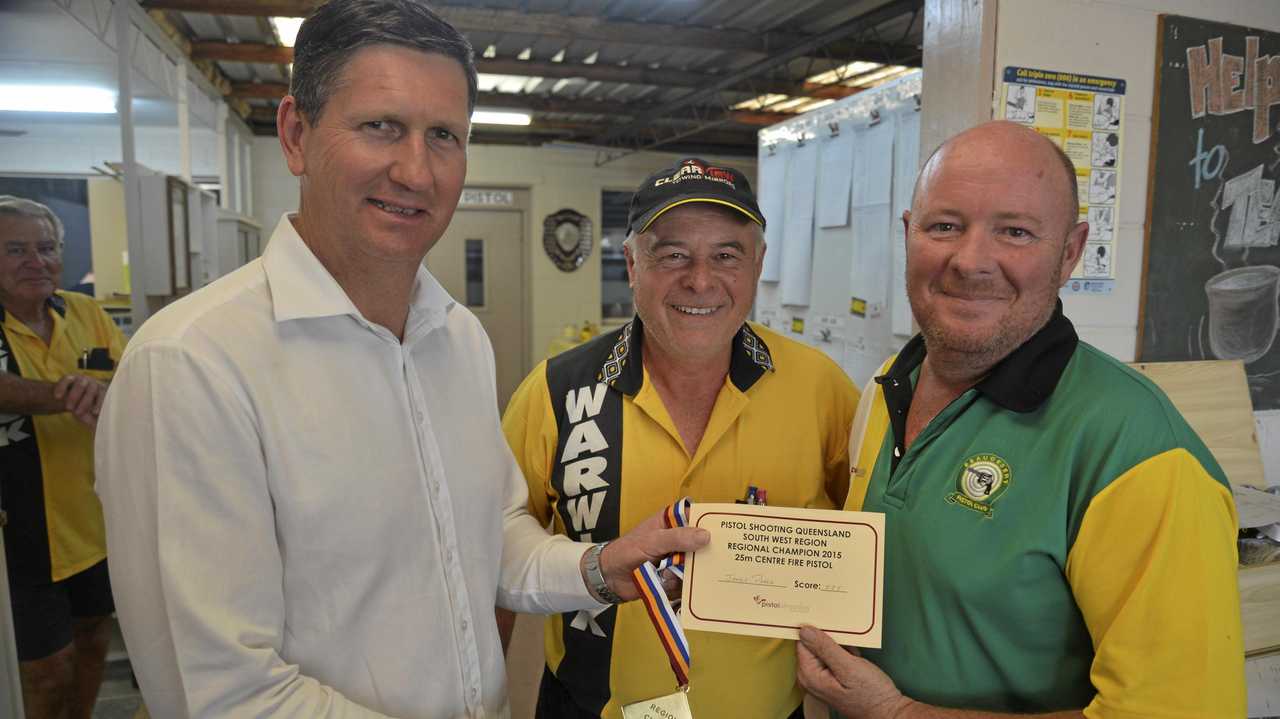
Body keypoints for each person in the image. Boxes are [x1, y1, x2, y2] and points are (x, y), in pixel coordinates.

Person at [93, 3, 705, 717]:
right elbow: (226, 694)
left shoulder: (457, 338)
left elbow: (488, 533)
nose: (416, 170)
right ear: (295, 134)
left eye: (443, 135)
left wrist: (600, 566)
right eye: (381, 126)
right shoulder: (192, 366)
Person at [795, 121, 1245, 716]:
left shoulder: (1137, 453)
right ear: (909, 235)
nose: (971, 261)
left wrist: (899, 715)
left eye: (1015, 231)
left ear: (1071, 253)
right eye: (945, 226)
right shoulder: (889, 384)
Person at [501, 158, 859, 718]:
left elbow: (864, 538)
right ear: (632, 264)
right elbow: (493, 540)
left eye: (726, 255)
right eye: (672, 255)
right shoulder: (557, 390)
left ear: (757, 264)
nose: (700, 279)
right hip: (589, 706)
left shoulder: (821, 388)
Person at [0, 195, 123, 719]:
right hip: (20, 533)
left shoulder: (85, 311)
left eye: (46, 247)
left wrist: (100, 388)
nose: (36, 261)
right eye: (15, 249)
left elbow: (130, 375)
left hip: (92, 522)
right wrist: (67, 393)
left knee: (93, 639)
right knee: (45, 671)